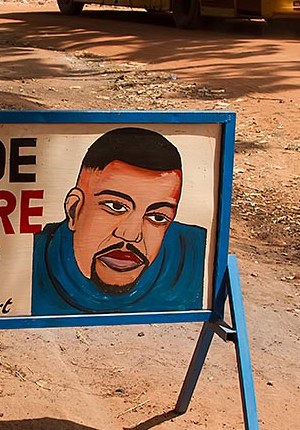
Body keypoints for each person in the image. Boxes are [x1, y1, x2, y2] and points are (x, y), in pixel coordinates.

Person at [31, 127, 207, 315]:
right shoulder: (31, 261)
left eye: (157, 217)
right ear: (74, 210)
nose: (131, 235)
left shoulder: (196, 257)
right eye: (116, 207)